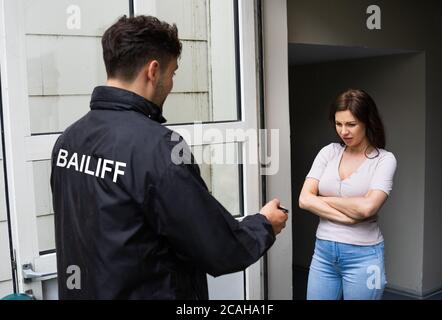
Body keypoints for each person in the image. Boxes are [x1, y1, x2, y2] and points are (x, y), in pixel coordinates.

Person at [50, 15, 288, 300]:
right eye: (172, 73)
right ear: (153, 71)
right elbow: (219, 249)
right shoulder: (158, 147)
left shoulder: (68, 141)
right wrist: (264, 223)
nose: (172, 82)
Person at [299, 89, 397, 300]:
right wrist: (350, 217)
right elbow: (304, 199)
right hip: (323, 254)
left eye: (351, 124)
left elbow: (368, 208)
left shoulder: (384, 160)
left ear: (367, 122)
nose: (344, 131)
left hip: (365, 257)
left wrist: (323, 200)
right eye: (338, 124)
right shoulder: (329, 152)